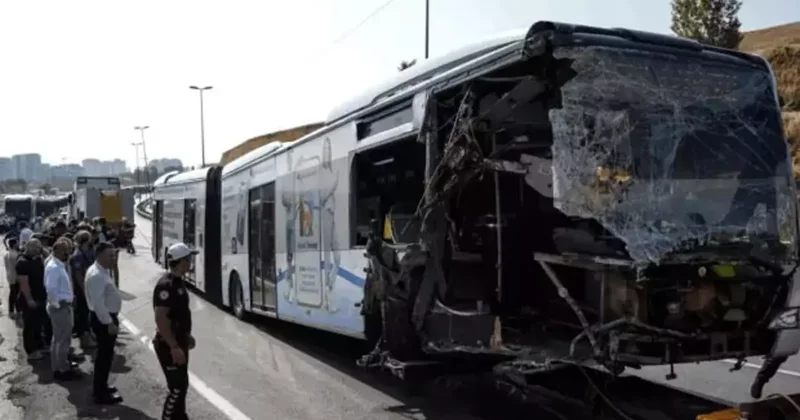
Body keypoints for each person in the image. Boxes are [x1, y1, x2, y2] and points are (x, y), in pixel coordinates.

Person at [153, 243, 197, 420]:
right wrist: (173, 346)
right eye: (189, 259)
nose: (191, 262)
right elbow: (161, 318)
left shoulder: (178, 282)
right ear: (181, 262)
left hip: (179, 340)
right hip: (168, 344)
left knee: (182, 385)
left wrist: (186, 335)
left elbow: (178, 314)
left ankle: (180, 417)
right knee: (177, 387)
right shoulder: (166, 285)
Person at [85, 241, 123, 404]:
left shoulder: (101, 270)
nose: (113, 259)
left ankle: (102, 386)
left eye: (114, 255)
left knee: (106, 356)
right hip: (103, 320)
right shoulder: (97, 275)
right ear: (99, 255)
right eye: (110, 256)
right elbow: (98, 304)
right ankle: (100, 394)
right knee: (104, 357)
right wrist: (109, 323)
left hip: (105, 318)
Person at [45, 237, 80, 381]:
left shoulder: (58, 265)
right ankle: (62, 369)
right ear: (57, 251)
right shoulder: (54, 267)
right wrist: (58, 304)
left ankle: (59, 366)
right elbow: (51, 289)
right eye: (65, 251)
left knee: (59, 338)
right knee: (62, 340)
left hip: (63, 305)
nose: (67, 253)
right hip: (60, 306)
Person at [16, 239, 52, 361]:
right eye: (35, 247)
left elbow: (50, 258)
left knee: (39, 324)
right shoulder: (22, 262)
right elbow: (24, 284)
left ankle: (40, 346)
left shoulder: (37, 259)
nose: (37, 249)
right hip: (29, 299)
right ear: (28, 247)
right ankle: (31, 351)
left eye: (38, 247)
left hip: (40, 297)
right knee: (29, 326)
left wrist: (43, 250)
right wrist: (29, 299)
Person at [69, 230, 96, 349]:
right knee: (83, 313)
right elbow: (79, 276)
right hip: (82, 290)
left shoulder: (86, 253)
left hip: (88, 287)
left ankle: (88, 334)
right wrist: (85, 292)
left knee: (87, 313)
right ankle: (84, 338)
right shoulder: (78, 255)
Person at [4, 237, 20, 318]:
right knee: (15, 294)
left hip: (10, 276)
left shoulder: (7, 254)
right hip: (15, 277)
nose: (18, 244)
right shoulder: (15, 255)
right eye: (17, 243)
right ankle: (16, 310)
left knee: (13, 294)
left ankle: (12, 310)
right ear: (14, 244)